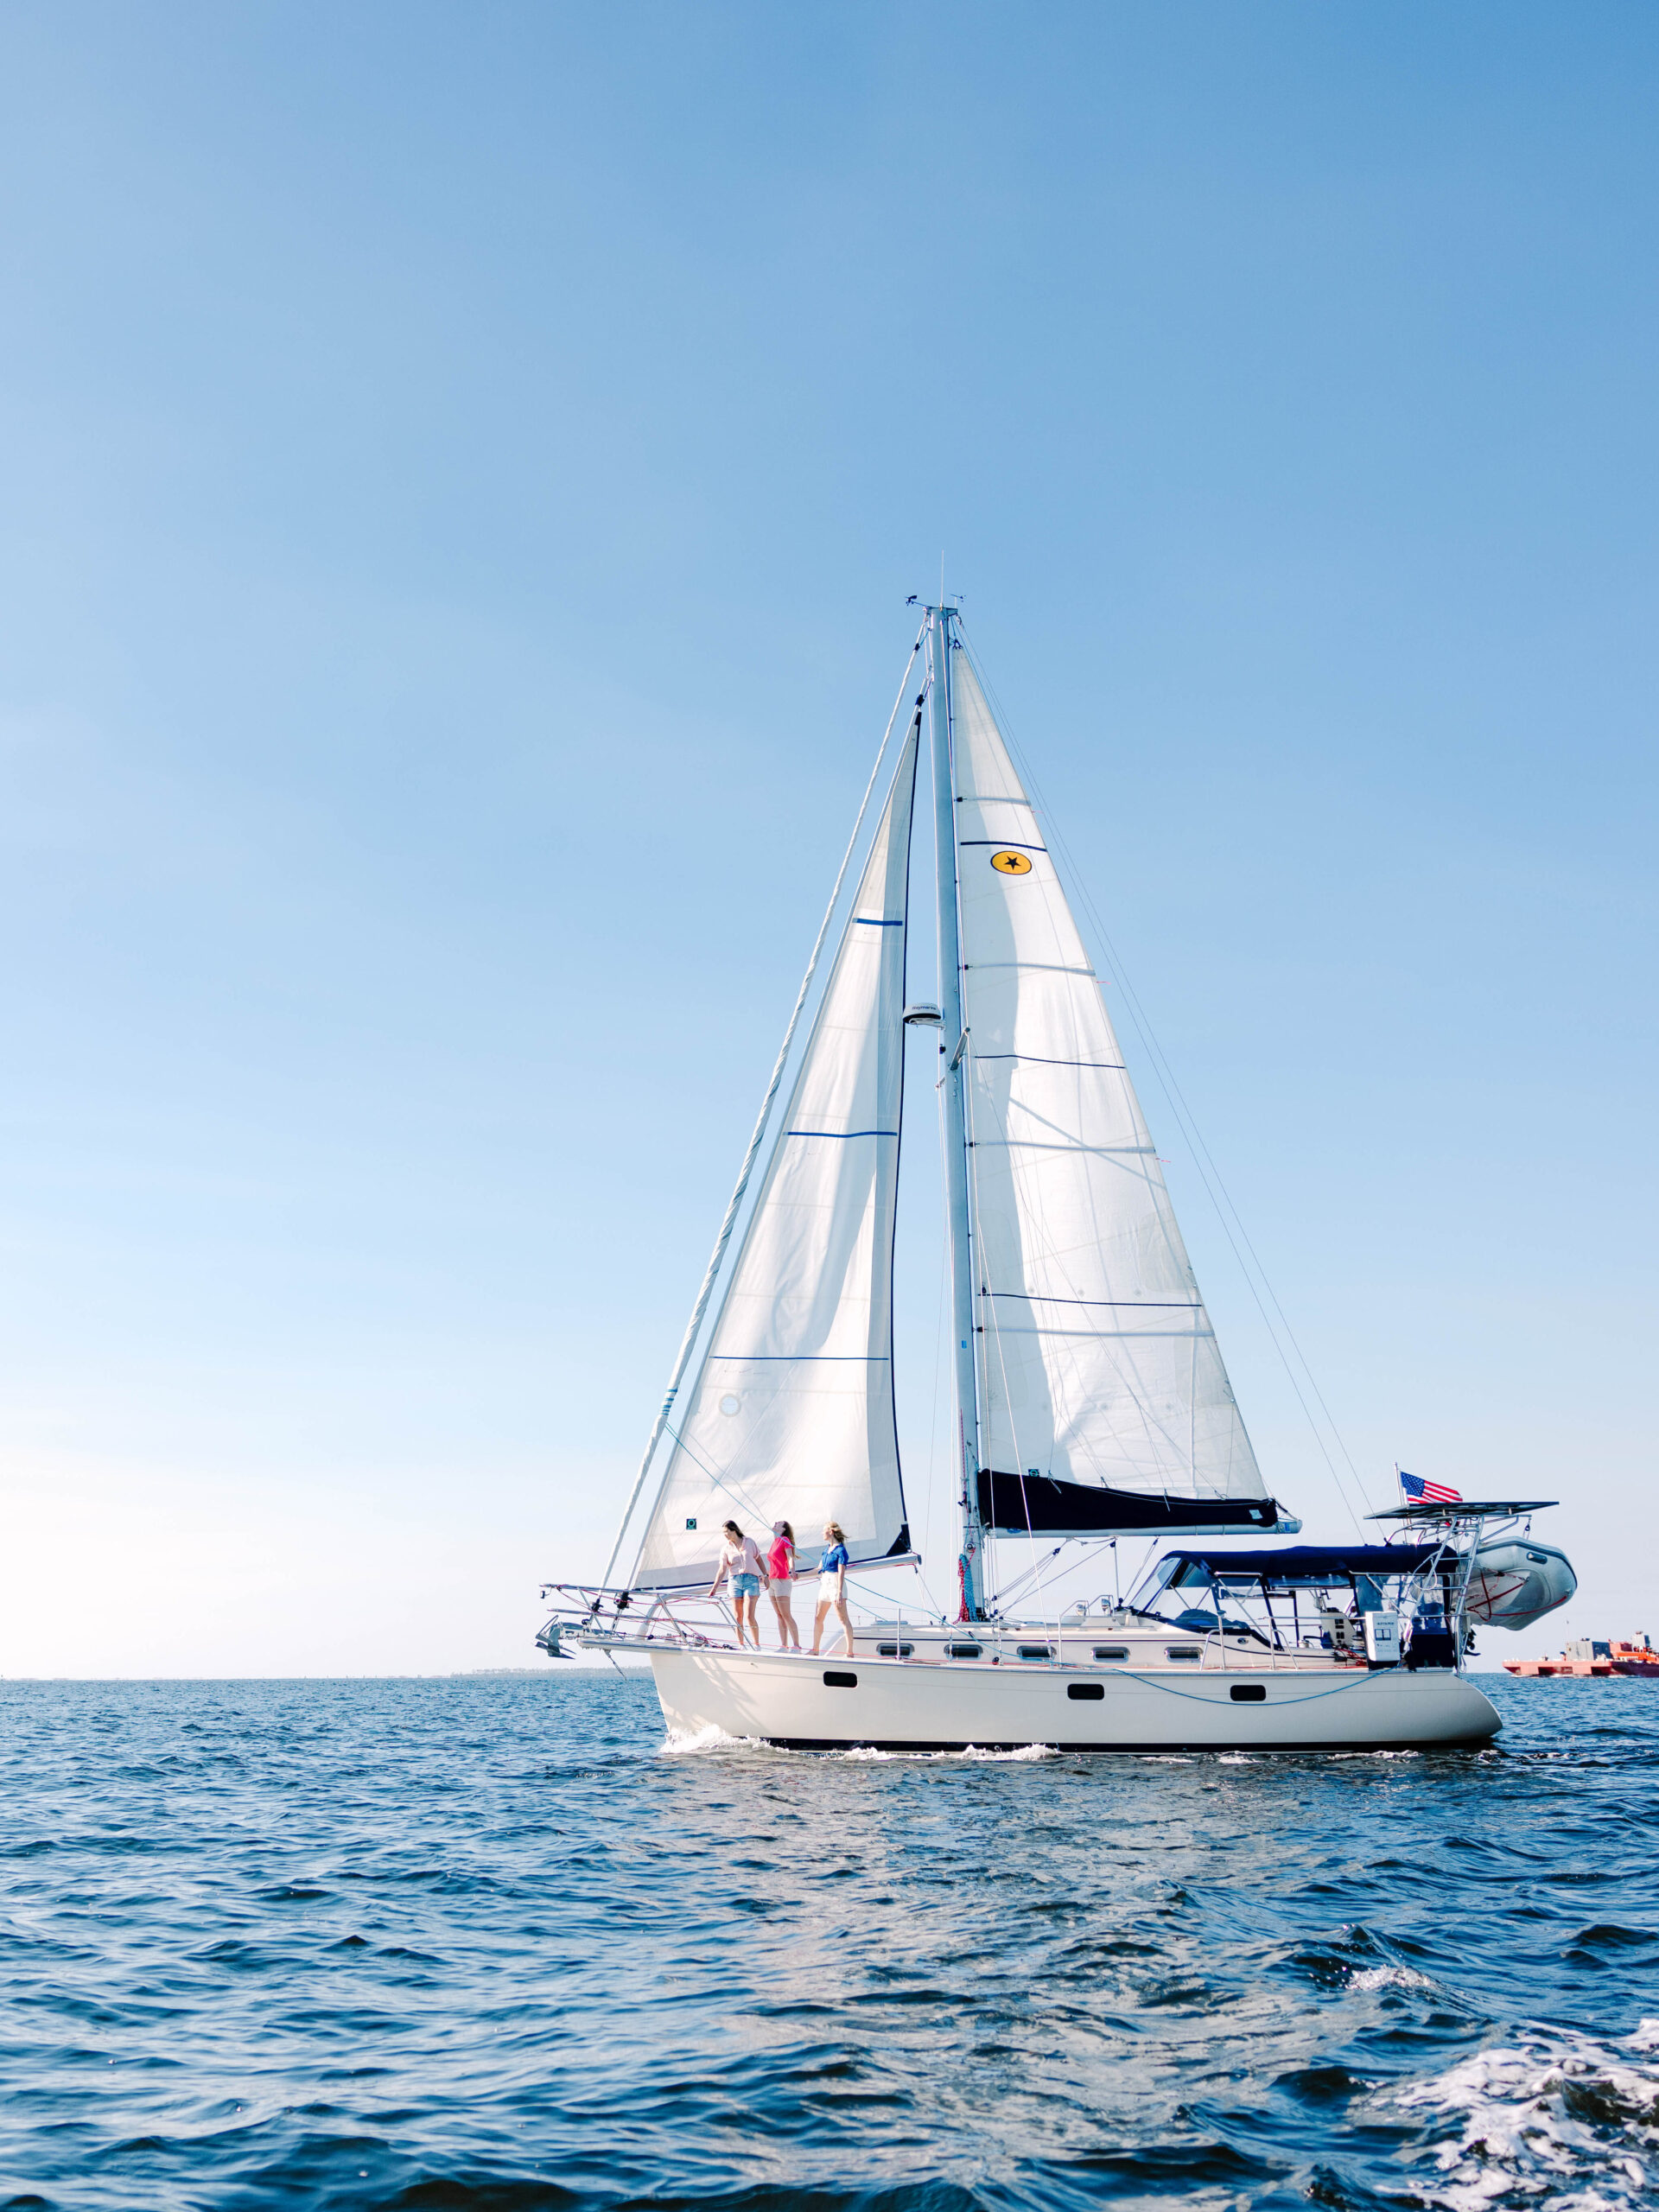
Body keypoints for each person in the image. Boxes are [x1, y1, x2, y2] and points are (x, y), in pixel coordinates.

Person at [707, 1519, 767, 1648]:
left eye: (726, 1532)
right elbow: (722, 1569)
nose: (725, 1535)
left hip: (751, 1580)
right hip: (734, 1581)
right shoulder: (725, 1548)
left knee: (750, 1615)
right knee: (738, 1616)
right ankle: (742, 1645)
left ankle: (757, 1645)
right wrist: (714, 1588)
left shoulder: (749, 1542)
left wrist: (766, 1575)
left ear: (734, 1530)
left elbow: (759, 1559)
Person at [811, 1520, 855, 1659]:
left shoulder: (840, 1550)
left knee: (843, 1619)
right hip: (825, 1583)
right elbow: (819, 1569)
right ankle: (815, 1650)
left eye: (823, 1530)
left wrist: (840, 1592)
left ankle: (849, 1652)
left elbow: (842, 1572)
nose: (821, 1533)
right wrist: (798, 1575)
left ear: (830, 1532)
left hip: (836, 1584)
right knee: (818, 1617)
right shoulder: (826, 1549)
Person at [766, 1520, 800, 1651]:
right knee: (779, 1615)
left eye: (778, 1523)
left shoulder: (785, 1539)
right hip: (772, 1581)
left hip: (782, 1580)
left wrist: (792, 1570)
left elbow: (790, 1557)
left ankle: (796, 1645)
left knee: (786, 1614)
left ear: (783, 1528)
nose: (775, 1523)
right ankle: (784, 1645)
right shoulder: (774, 1543)